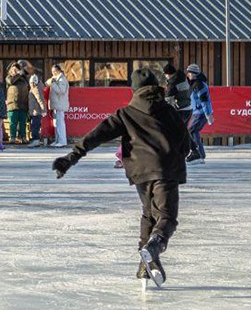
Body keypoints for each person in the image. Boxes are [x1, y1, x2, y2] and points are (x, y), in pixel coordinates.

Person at [52, 69, 190, 288]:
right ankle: (155, 246)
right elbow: (185, 140)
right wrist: (180, 153)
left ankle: (145, 266)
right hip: (166, 168)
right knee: (166, 217)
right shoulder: (169, 111)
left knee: (149, 214)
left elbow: (96, 135)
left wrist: (72, 157)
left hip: (140, 171)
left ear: (134, 90)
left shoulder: (126, 114)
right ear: (156, 87)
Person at [185, 64, 213, 164]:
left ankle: (198, 154)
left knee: (191, 131)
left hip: (201, 113)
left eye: (189, 72)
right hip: (196, 112)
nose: (187, 74)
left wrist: (208, 114)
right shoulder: (193, 83)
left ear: (194, 74)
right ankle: (199, 154)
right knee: (193, 131)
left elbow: (204, 100)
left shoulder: (200, 84)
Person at [46, 64, 70, 148]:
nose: (53, 73)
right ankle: (57, 140)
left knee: (60, 124)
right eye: (52, 72)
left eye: (54, 71)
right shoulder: (56, 79)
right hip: (56, 104)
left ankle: (62, 141)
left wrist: (52, 84)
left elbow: (61, 91)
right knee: (56, 124)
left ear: (58, 71)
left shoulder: (62, 79)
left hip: (60, 104)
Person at [163, 63, 193, 127]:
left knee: (176, 131)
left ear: (167, 74)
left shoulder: (173, 83)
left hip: (180, 110)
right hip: (189, 108)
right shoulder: (183, 77)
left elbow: (168, 100)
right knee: (184, 131)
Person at [5, 64, 29, 144]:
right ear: (10, 71)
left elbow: (29, 85)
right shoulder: (8, 78)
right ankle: (12, 137)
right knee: (13, 123)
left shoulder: (23, 79)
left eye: (17, 70)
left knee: (23, 123)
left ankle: (23, 137)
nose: (15, 71)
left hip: (23, 104)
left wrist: (23, 75)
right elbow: (12, 81)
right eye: (13, 70)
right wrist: (19, 74)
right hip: (12, 104)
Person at [28, 74, 47, 147]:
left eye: (31, 83)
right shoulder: (37, 87)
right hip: (35, 111)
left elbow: (40, 100)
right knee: (35, 125)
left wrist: (43, 110)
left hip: (36, 111)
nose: (31, 84)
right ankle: (36, 140)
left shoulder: (36, 89)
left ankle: (36, 140)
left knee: (35, 126)